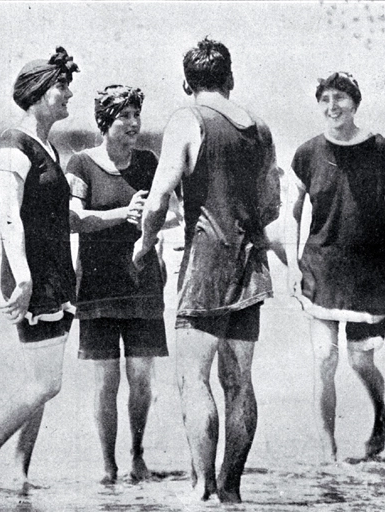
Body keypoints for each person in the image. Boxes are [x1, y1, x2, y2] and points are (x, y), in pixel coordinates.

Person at [133, 38, 281, 503]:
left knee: (192, 379)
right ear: (230, 78)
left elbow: (157, 199)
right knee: (239, 383)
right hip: (250, 265)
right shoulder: (260, 128)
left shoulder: (187, 119)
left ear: (186, 82)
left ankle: (202, 487)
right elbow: (272, 204)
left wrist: (145, 242)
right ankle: (233, 491)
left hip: (204, 266)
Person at [0, 47, 78, 492]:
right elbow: (8, 218)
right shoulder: (13, 146)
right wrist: (23, 278)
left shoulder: (49, 147)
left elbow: (57, 216)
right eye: (63, 87)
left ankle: (18, 472)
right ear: (42, 94)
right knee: (46, 383)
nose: (69, 95)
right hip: (32, 276)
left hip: (55, 275)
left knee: (38, 380)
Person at [286, 72, 385, 461]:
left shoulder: (380, 148)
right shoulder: (307, 153)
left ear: (355, 102)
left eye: (340, 98)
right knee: (325, 359)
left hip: (370, 271)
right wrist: (293, 265)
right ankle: (329, 451)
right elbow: (293, 213)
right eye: (325, 99)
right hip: (321, 267)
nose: (332, 106)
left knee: (361, 360)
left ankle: (381, 414)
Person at [66, 85, 171, 485]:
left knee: (142, 380)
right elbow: (74, 218)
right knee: (106, 383)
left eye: (136, 115)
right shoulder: (80, 164)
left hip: (143, 283)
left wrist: (152, 224)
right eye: (123, 116)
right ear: (104, 121)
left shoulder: (149, 162)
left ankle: (137, 455)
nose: (133, 124)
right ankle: (108, 464)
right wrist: (124, 214)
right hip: (96, 287)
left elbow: (171, 213)